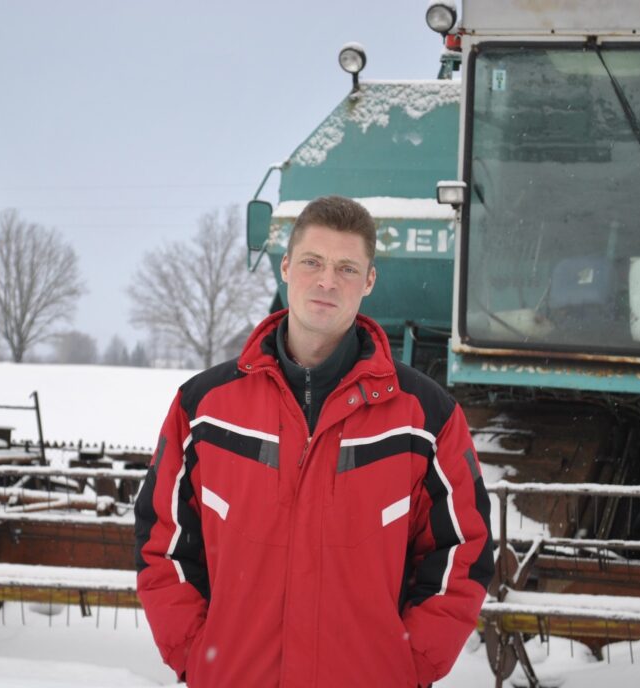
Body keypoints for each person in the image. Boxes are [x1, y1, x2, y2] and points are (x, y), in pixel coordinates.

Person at [134, 195, 493, 687]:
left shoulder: (425, 418)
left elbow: (461, 551)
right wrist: (198, 657)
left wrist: (408, 666)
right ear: (285, 267)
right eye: (312, 262)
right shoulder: (204, 408)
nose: (327, 281)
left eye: (347, 268)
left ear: (369, 281)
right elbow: (164, 541)